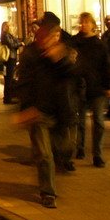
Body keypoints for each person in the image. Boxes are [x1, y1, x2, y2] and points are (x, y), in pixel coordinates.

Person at [15, 22, 79, 208]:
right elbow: (24, 82)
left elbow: (74, 75)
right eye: (50, 37)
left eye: (56, 37)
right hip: (38, 111)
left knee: (65, 147)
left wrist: (60, 59)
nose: (53, 41)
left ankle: (58, 165)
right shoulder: (30, 54)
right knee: (44, 154)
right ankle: (48, 192)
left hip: (61, 111)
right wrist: (26, 108)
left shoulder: (64, 52)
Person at [72, 12, 110, 167]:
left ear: (92, 24)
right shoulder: (75, 42)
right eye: (81, 22)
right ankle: (80, 147)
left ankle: (97, 154)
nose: (83, 25)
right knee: (80, 120)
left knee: (98, 121)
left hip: (96, 87)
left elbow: (107, 65)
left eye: (86, 22)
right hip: (79, 86)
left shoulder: (99, 44)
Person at [39, 11, 79, 170]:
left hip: (64, 99)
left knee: (65, 136)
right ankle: (56, 162)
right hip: (46, 102)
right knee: (50, 140)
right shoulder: (38, 50)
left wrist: (61, 58)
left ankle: (65, 159)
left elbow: (74, 71)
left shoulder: (67, 45)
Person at [0, 21, 21, 104]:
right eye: (10, 26)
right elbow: (12, 45)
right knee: (9, 78)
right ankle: (8, 98)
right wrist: (21, 43)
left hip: (10, 59)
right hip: (10, 59)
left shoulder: (7, 35)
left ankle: (7, 97)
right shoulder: (6, 35)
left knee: (8, 78)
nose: (12, 27)